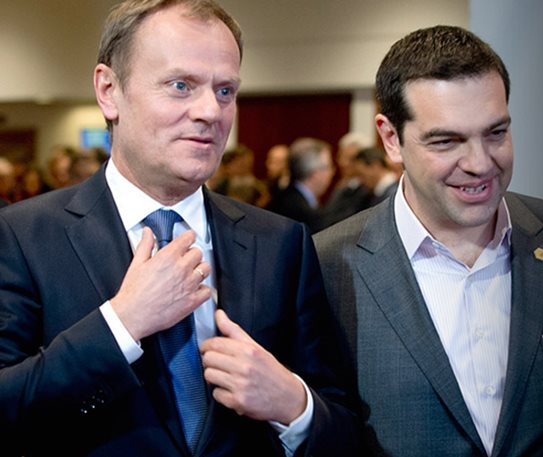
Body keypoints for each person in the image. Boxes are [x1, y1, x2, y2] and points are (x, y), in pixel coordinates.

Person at [0, 1, 358, 455]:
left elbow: (343, 427)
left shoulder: (280, 243)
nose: (210, 111)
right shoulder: (23, 236)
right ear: (109, 90)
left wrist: (293, 405)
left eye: (225, 90)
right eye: (181, 85)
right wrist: (121, 325)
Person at [314, 25, 543, 456]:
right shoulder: (328, 266)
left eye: (495, 133)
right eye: (446, 141)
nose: (480, 163)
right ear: (391, 139)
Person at [268, 137, 335, 233]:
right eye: (328, 167)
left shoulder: (283, 198)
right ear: (315, 174)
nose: (332, 172)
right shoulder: (304, 215)